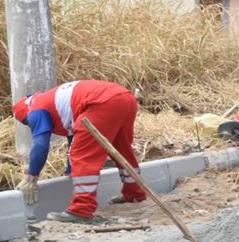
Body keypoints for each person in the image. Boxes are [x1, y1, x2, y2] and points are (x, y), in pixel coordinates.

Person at [12, 80, 146, 223]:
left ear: (26, 115)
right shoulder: (53, 102)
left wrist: (31, 177)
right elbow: (74, 139)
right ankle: (134, 193)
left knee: (82, 156)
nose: (31, 125)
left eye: (27, 123)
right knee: (122, 150)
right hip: (124, 98)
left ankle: (82, 210)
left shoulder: (35, 110)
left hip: (101, 102)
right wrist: (71, 170)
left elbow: (40, 144)